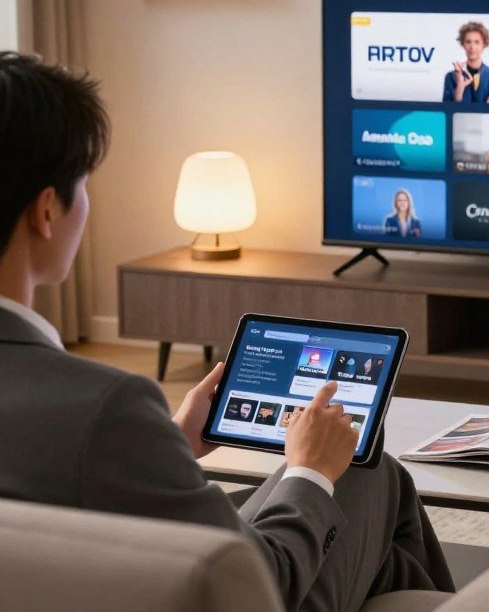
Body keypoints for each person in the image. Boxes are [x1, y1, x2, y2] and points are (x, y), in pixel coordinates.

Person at [0, 52, 454, 612]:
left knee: (368, 501)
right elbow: (262, 587)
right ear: (47, 212)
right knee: (365, 468)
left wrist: (167, 446)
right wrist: (309, 471)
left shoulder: (99, 421)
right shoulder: (104, 408)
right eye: (84, 184)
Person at [442, 21, 489, 103]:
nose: (472, 47)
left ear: (484, 44)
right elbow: (448, 109)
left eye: (477, 42)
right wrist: (460, 86)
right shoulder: (451, 77)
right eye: (468, 42)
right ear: (463, 44)